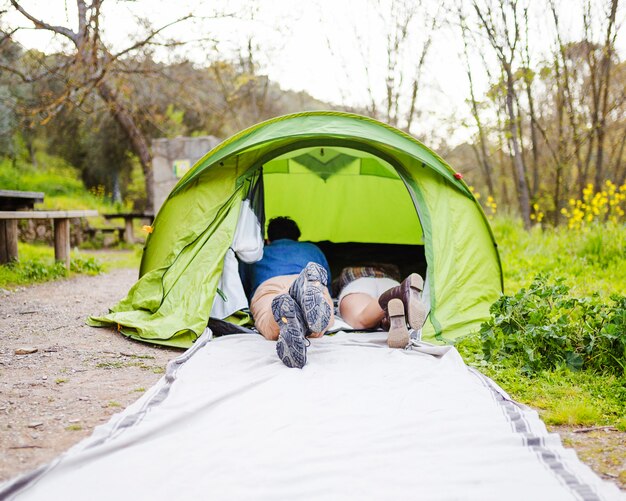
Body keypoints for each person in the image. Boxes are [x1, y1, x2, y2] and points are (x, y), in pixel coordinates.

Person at [243, 217, 334, 369]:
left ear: (268, 239)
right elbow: (327, 281)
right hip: (306, 279)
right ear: (297, 238)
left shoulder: (257, 253)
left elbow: (245, 284)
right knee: (321, 322)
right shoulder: (313, 249)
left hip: (269, 285)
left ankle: (288, 305)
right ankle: (301, 292)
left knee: (269, 321)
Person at [337, 266, 427, 348]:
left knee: (360, 319)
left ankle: (398, 294)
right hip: (390, 282)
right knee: (392, 306)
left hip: (358, 282)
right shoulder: (392, 269)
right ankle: (388, 317)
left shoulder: (349, 269)